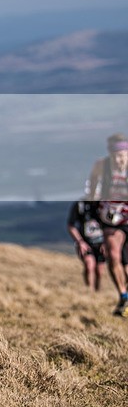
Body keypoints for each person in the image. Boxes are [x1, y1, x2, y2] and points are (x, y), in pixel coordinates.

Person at [86, 133, 128, 316]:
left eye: (122, 155)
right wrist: (94, 202)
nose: (118, 160)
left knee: (125, 262)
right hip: (111, 216)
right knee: (112, 254)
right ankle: (123, 295)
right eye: (115, 156)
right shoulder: (101, 166)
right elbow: (92, 186)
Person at [66, 200, 106, 292]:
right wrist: (80, 242)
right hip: (85, 243)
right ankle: (89, 293)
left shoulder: (103, 205)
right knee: (89, 265)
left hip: (101, 243)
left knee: (99, 271)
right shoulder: (80, 205)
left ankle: (98, 293)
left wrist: (106, 242)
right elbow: (71, 225)